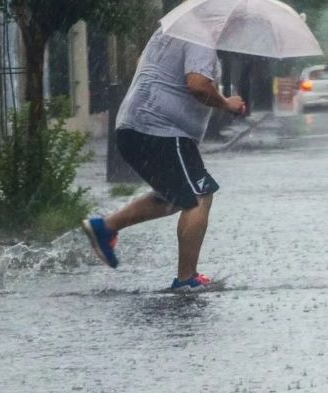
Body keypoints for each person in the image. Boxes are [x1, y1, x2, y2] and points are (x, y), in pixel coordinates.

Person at [82, 28, 245, 291]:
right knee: (200, 194)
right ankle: (186, 279)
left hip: (136, 127)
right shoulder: (199, 34)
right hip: (161, 129)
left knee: (175, 196)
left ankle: (105, 228)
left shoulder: (169, 32)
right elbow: (197, 84)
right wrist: (227, 103)